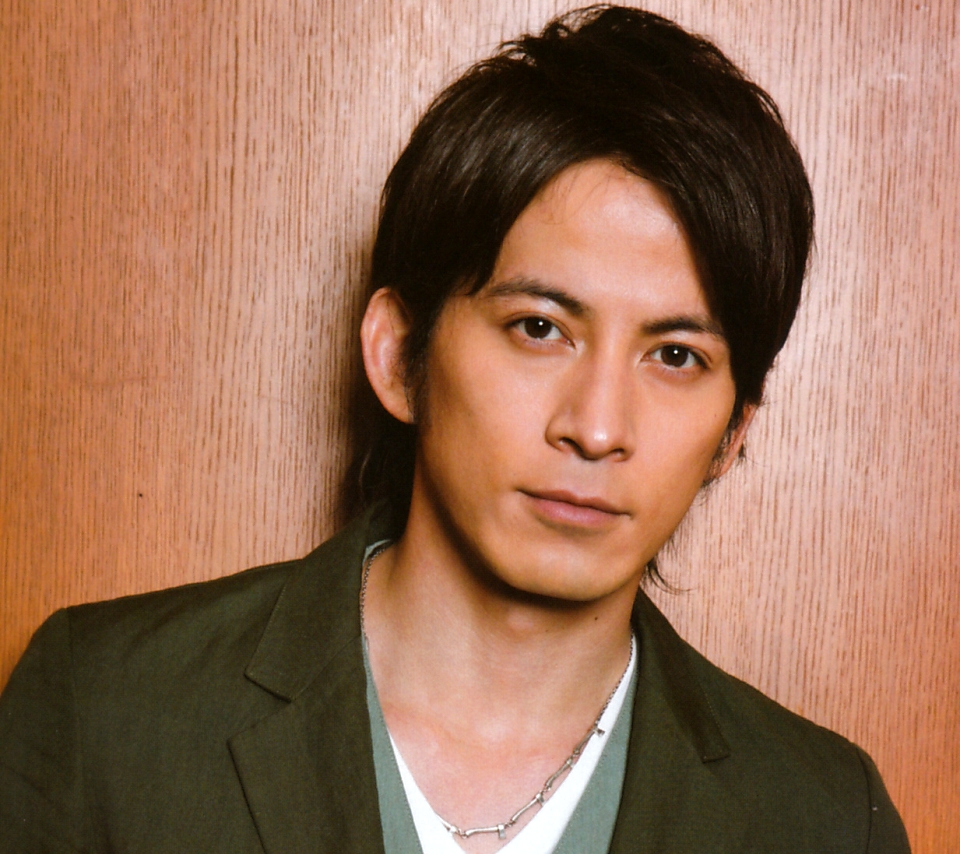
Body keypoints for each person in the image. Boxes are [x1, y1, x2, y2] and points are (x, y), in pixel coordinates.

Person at [0, 6, 910, 853]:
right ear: (398, 354)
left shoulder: (826, 819)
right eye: (539, 329)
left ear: (733, 432)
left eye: (675, 356)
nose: (597, 428)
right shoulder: (103, 715)